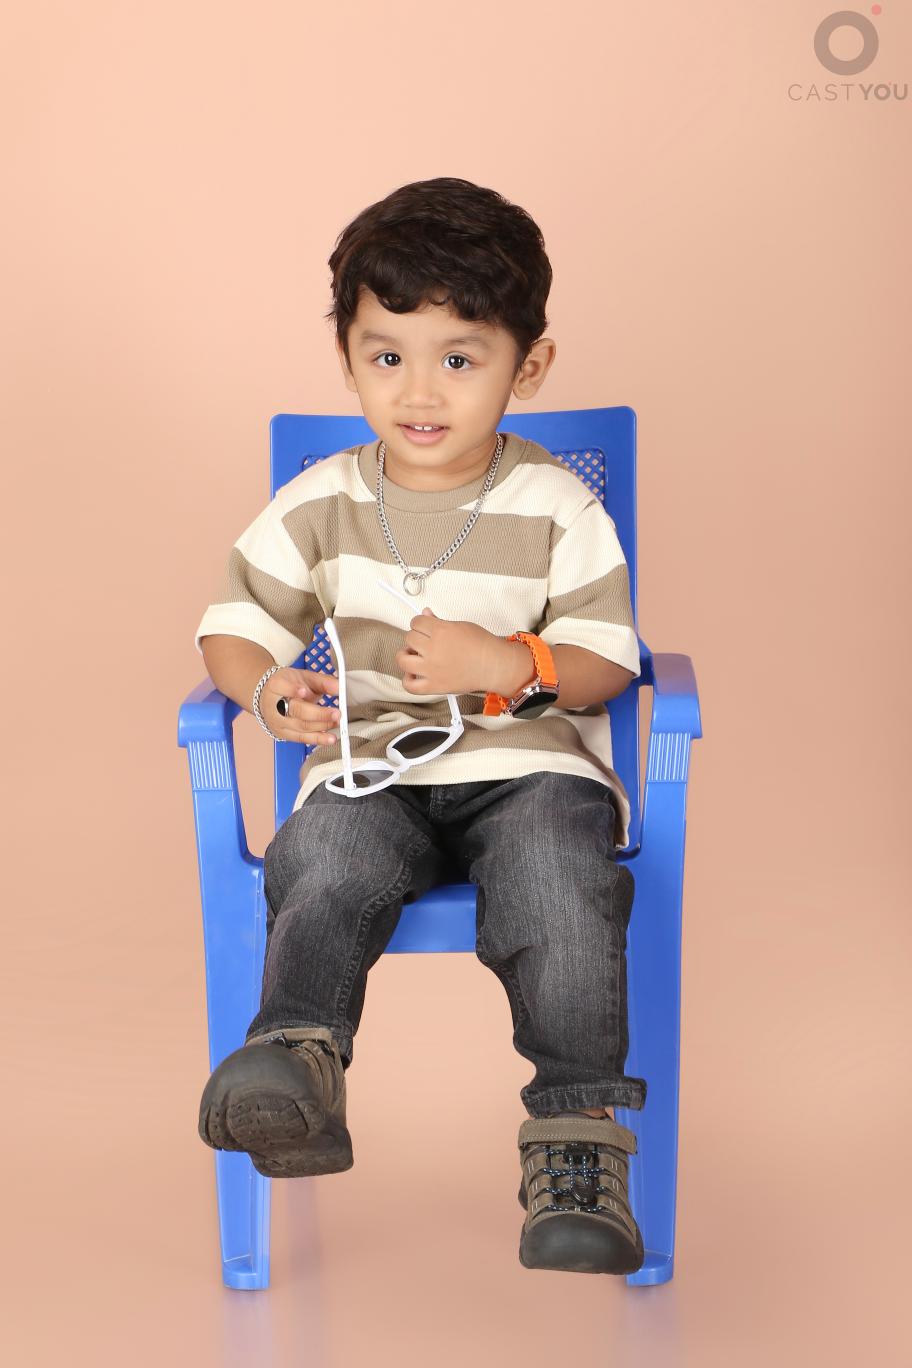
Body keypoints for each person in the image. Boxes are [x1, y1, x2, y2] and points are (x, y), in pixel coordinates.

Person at [193, 176, 647, 1275]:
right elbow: (232, 625)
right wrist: (266, 690)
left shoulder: (556, 504)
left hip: (527, 768)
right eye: (388, 355)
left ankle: (576, 1143)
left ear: (527, 368)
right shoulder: (321, 500)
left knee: (556, 881)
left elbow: (608, 661)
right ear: (347, 357)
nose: (419, 391)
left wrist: (507, 664)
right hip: (371, 771)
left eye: (460, 358)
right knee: (326, 857)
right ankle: (297, 1063)